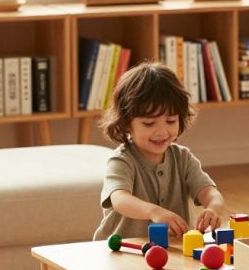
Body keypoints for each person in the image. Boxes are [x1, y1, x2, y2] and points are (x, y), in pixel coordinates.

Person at [93, 61, 226, 242]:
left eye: (171, 121)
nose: (162, 132)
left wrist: (212, 208)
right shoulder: (122, 160)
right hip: (122, 250)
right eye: (149, 123)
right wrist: (155, 212)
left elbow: (210, 192)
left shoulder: (183, 158)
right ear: (126, 123)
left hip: (171, 249)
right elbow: (120, 199)